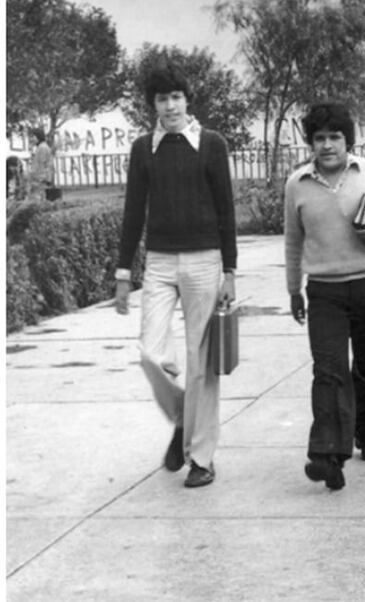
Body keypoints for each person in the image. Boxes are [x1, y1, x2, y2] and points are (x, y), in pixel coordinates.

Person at [114, 61, 237, 488]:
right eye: (162, 99)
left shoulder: (211, 144)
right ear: (153, 104)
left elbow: (226, 209)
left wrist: (230, 272)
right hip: (161, 264)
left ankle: (202, 457)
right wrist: (123, 271)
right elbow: (133, 211)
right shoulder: (143, 148)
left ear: (188, 100)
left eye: (176, 97)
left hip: (205, 260)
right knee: (150, 353)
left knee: (201, 364)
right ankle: (184, 418)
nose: (170, 106)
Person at [284, 102, 365, 491]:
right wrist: (294, 290)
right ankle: (327, 455)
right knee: (329, 370)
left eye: (334, 137)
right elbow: (293, 241)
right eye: (319, 138)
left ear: (348, 141)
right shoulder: (297, 184)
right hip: (324, 292)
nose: (327, 146)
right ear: (311, 143)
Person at [27, 128, 54, 199]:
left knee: (38, 199)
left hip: (40, 180)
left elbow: (41, 165)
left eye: (33, 136)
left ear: (38, 136)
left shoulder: (42, 148)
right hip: (41, 179)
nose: (31, 139)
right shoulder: (41, 147)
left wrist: (36, 179)